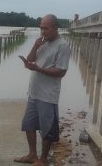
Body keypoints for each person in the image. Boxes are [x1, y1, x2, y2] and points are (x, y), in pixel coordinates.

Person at [14, 14, 71, 166]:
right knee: (29, 125)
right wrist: (35, 46)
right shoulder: (42, 43)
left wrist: (39, 69)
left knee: (47, 129)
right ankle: (32, 155)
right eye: (41, 28)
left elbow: (61, 72)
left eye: (46, 28)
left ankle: (43, 159)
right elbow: (30, 60)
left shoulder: (62, 46)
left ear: (55, 28)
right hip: (34, 93)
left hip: (48, 96)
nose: (42, 31)